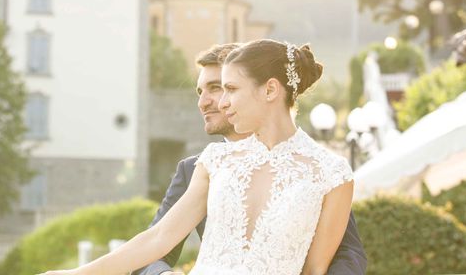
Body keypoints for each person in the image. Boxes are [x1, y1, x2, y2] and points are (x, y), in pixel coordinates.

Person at [40, 39, 362, 275]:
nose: (221, 103)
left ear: (270, 90)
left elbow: (316, 269)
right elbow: (158, 238)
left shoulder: (331, 174)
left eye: (231, 90)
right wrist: (74, 274)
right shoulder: (216, 161)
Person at [132, 42, 366, 275]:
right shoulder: (197, 167)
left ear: (265, 88)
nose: (204, 102)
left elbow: (347, 254)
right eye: (200, 92)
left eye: (220, 87)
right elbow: (152, 248)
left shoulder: (317, 171)